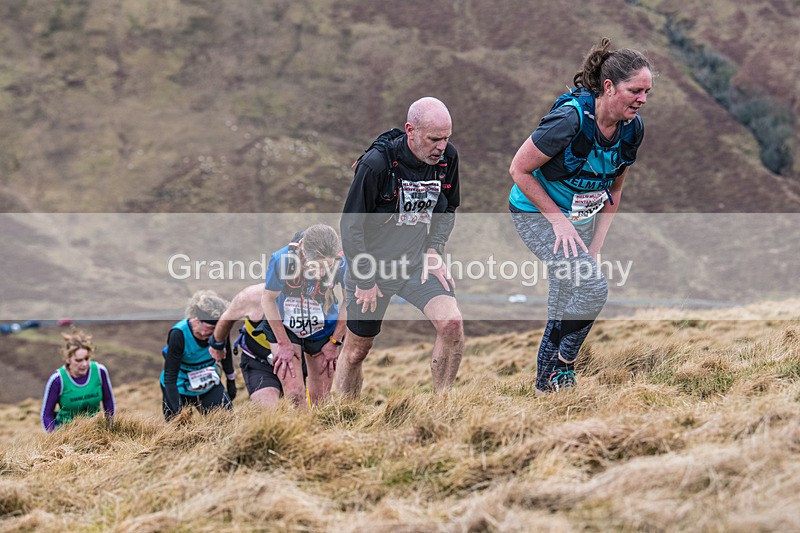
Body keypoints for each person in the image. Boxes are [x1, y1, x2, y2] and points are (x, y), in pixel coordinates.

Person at [508, 38, 652, 395]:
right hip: (536, 216)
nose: (642, 99)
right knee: (592, 288)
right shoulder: (569, 119)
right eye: (635, 90)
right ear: (608, 86)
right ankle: (565, 368)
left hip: (582, 223)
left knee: (563, 300)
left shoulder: (632, 129)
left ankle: (545, 389)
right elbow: (519, 170)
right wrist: (557, 220)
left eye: (647, 92)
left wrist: (596, 245)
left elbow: (614, 190)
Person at [337, 96, 464, 398]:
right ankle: (343, 416)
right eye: (434, 139)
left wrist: (434, 249)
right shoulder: (376, 165)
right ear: (411, 130)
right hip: (372, 266)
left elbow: (448, 208)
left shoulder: (448, 159)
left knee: (451, 323)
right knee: (357, 351)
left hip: (416, 262)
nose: (441, 147)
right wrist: (365, 278)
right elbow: (351, 227)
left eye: (446, 138)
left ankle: (443, 404)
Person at [208, 224, 347, 408]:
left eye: (327, 267)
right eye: (317, 267)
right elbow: (268, 300)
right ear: (304, 254)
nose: (322, 273)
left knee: (321, 400)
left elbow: (349, 302)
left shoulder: (341, 261)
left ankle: (321, 435)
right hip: (285, 326)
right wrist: (283, 343)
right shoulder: (282, 259)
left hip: (322, 326)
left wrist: (335, 342)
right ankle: (302, 435)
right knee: (295, 396)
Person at [160, 290, 236, 420]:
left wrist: (231, 381)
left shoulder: (220, 332)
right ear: (196, 320)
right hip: (179, 387)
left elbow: (226, 356)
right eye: (210, 329)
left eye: (217, 329)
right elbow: (170, 377)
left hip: (208, 383)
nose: (214, 334)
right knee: (178, 433)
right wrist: (178, 414)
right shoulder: (178, 334)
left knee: (226, 421)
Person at [41, 329, 115, 432]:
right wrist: (55, 438)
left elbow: (108, 401)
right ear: (68, 359)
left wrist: (110, 428)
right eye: (78, 360)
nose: (84, 364)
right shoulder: (57, 380)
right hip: (67, 433)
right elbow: (47, 415)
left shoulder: (99, 371)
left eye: (87, 358)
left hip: (97, 429)